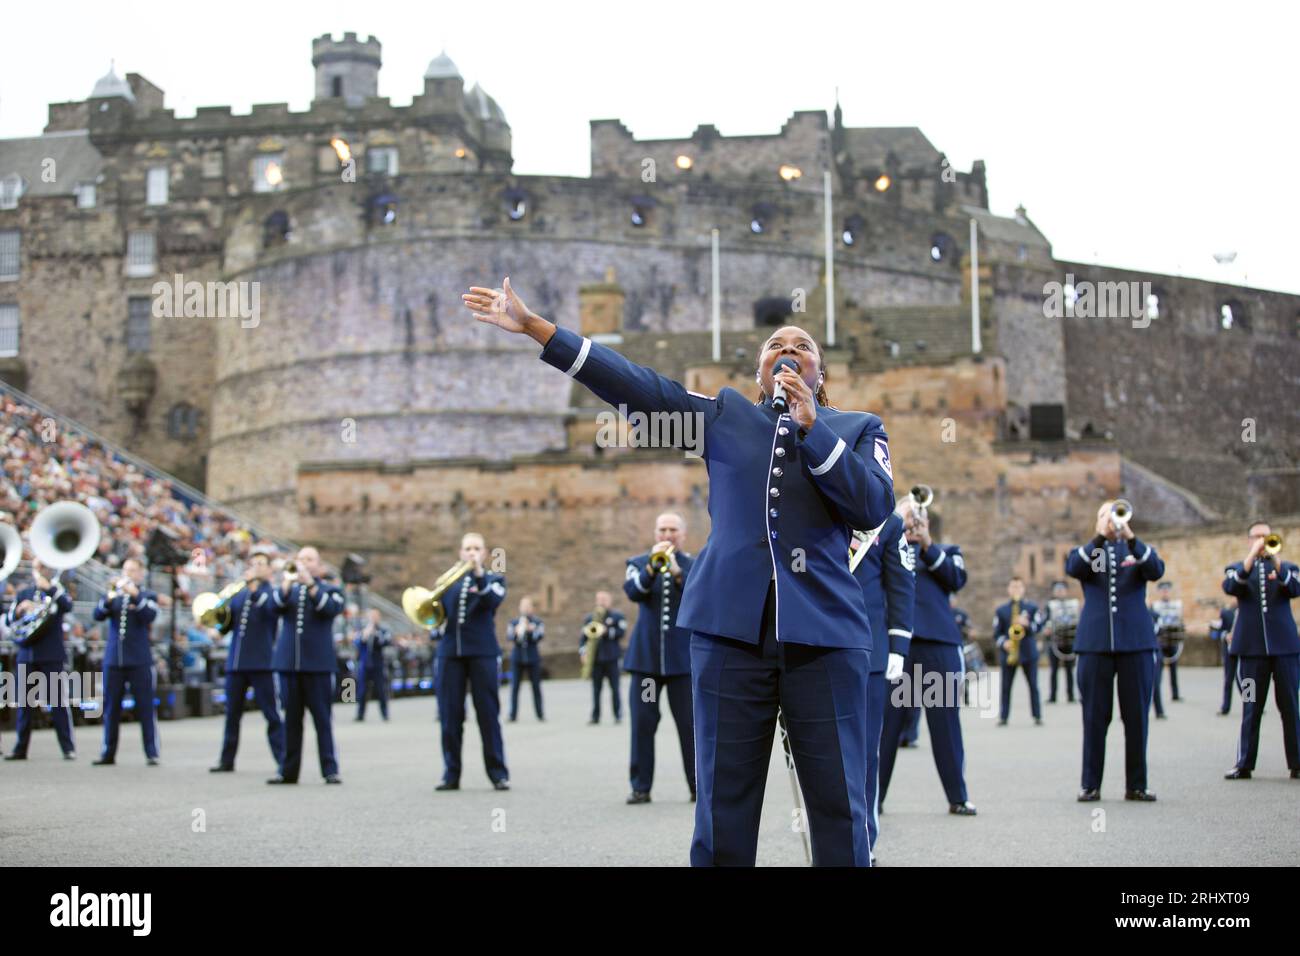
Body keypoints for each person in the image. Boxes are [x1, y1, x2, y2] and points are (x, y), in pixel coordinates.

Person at [464, 278, 894, 866]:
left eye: (803, 346)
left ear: (821, 372)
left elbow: (873, 506)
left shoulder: (858, 430)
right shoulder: (724, 418)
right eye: (775, 345)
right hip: (727, 635)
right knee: (722, 808)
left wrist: (813, 428)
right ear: (760, 369)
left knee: (841, 805)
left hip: (824, 637)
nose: (788, 349)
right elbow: (640, 389)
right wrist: (539, 328)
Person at [877, 496, 975, 815]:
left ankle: (957, 796)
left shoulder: (945, 553)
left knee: (945, 726)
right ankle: (873, 800)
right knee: (886, 730)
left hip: (937, 647)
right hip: (896, 648)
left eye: (918, 517)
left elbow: (956, 580)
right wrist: (897, 533)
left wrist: (927, 545)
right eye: (908, 515)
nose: (913, 522)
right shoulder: (885, 548)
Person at [1065, 501, 1165, 801]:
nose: (1113, 521)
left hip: (1135, 643)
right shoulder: (1089, 551)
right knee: (1095, 717)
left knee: (1136, 717)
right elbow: (1075, 567)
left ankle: (1136, 784)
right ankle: (1090, 784)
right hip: (1095, 644)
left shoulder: (1134, 551)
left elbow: (1156, 569)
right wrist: (1099, 536)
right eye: (1106, 516)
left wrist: (1130, 536)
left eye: (1117, 515)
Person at [849, 508, 914, 855]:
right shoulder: (815, 507)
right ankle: (829, 830)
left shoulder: (887, 523)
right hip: (814, 646)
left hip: (869, 651)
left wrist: (898, 644)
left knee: (865, 752)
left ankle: (863, 838)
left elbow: (901, 583)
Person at [623, 514, 695, 804]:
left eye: (673, 530)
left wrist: (677, 571)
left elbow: (698, 595)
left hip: (681, 662)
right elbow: (633, 592)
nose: (668, 534)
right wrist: (652, 569)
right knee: (643, 722)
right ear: (655, 533)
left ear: (683, 535)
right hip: (648, 663)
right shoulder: (638, 563)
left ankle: (697, 786)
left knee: (690, 725)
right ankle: (641, 786)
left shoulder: (693, 564)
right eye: (663, 530)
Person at [1221, 522, 1300, 780]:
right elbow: (1231, 587)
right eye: (1256, 536)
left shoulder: (1287, 568)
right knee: (1251, 705)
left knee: (1290, 706)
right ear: (1248, 540)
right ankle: (1244, 763)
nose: (1261, 540)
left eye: (1265, 536)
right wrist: (1251, 557)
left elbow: (1294, 588)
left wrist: (1275, 560)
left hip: (1285, 651)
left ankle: (1297, 763)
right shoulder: (1238, 568)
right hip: (1252, 653)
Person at [434, 532, 509, 792]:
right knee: (450, 716)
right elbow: (436, 617)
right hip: (450, 653)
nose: (472, 552)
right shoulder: (448, 584)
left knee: (488, 714)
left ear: (485, 553)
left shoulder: (494, 579)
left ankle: (498, 773)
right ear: (460, 552)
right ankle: (450, 774)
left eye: (477, 548)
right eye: (468, 548)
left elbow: (492, 601)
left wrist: (479, 573)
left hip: (482, 652)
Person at [268, 547, 346, 785]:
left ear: (318, 565)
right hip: (289, 664)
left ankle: (329, 769)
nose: (303, 563)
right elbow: (273, 608)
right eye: (300, 559)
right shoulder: (288, 590)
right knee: (291, 721)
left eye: (309, 559)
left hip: (318, 665)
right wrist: (286, 583)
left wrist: (310, 583)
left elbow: (329, 609)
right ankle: (288, 770)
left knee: (322, 719)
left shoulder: (330, 590)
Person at [211, 550, 284, 773]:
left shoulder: (271, 593)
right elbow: (225, 626)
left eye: (261, 564)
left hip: (262, 663)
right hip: (236, 663)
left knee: (271, 715)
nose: (256, 568)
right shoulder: (239, 595)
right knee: (232, 714)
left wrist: (252, 590)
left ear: (269, 570)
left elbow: (271, 612)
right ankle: (227, 760)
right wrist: (217, 621)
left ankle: (283, 760)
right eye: (253, 564)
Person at [4, 560, 76, 761]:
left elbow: (67, 605)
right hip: (27, 654)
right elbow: (10, 620)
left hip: (50, 654)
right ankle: (20, 748)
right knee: (24, 704)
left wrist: (50, 589)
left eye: (43, 567)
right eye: (37, 568)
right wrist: (20, 610)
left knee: (57, 702)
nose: (40, 571)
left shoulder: (56, 591)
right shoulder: (24, 593)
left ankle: (68, 748)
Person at [91, 558, 160, 766]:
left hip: (139, 659)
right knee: (111, 708)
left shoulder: (146, 595)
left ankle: (151, 751)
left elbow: (149, 615)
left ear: (140, 574)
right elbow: (98, 614)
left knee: (145, 707)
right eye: (125, 570)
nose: (128, 574)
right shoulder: (113, 595)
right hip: (114, 659)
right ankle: (108, 752)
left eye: (132, 570)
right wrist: (110, 597)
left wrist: (134, 593)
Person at [992, 577, 1043, 726]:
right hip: (1009, 652)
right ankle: (1004, 716)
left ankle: (1037, 715)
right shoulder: (1001, 610)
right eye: (1013, 587)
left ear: (1023, 589)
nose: (1016, 590)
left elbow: (1038, 627)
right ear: (1009, 589)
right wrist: (1004, 643)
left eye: (1019, 587)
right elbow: (996, 633)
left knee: (1033, 685)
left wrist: (1027, 624)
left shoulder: (1032, 608)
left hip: (1028, 652)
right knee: (1006, 687)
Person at [580, 591, 627, 724]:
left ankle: (617, 715)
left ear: (610, 601)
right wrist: (583, 652)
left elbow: (621, 632)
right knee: (596, 689)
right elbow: (583, 638)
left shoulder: (617, 616)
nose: (601, 602)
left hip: (612, 658)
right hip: (596, 659)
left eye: (604, 599)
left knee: (615, 688)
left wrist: (607, 631)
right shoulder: (590, 618)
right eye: (599, 599)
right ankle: (595, 716)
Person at [507, 596, 545, 721]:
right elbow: (510, 637)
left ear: (532, 608)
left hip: (533, 657)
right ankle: (513, 714)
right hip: (517, 658)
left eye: (528, 606)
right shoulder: (514, 622)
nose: (526, 609)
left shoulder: (537, 622)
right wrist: (518, 632)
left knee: (536, 686)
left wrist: (529, 630)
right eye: (523, 606)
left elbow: (539, 636)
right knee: (515, 687)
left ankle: (540, 714)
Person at [1042, 580, 1079, 703]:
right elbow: (1044, 621)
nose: (1060, 592)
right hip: (1055, 641)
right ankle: (1053, 695)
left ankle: (1071, 695)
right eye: (1057, 590)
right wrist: (1046, 630)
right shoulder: (1050, 605)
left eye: (1062, 590)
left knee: (1069, 670)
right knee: (1054, 670)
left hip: (1070, 640)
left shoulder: (1073, 604)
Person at [354, 608, 392, 722]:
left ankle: (385, 714)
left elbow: (386, 642)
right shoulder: (363, 628)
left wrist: (376, 634)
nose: (374, 618)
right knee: (362, 690)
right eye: (372, 616)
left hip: (378, 663)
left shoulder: (383, 630)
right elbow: (358, 643)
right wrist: (366, 634)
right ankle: (360, 715)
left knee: (381, 690)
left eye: (376, 616)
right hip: (364, 663)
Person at [1207, 603, 1238, 715]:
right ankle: (1225, 706)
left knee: (1247, 680)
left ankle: (1251, 704)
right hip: (1230, 650)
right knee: (1228, 678)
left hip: (1246, 651)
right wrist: (1226, 635)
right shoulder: (1226, 613)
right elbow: (1218, 631)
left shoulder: (1252, 610)